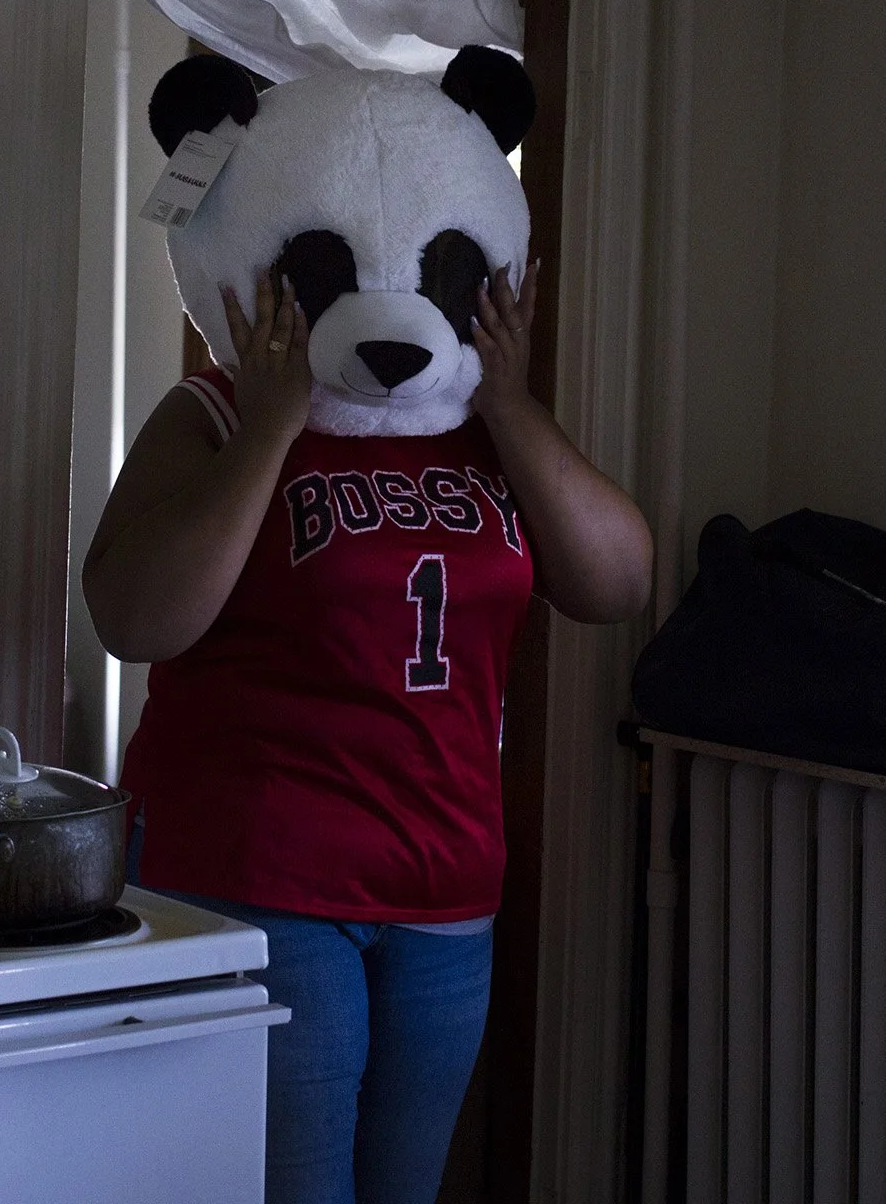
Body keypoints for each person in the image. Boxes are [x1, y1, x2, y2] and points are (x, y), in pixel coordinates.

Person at [83, 261, 653, 1204]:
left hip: (446, 888)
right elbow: (135, 619)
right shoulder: (217, 411)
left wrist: (506, 402)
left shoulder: (477, 425)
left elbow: (618, 586)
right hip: (258, 874)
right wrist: (272, 422)